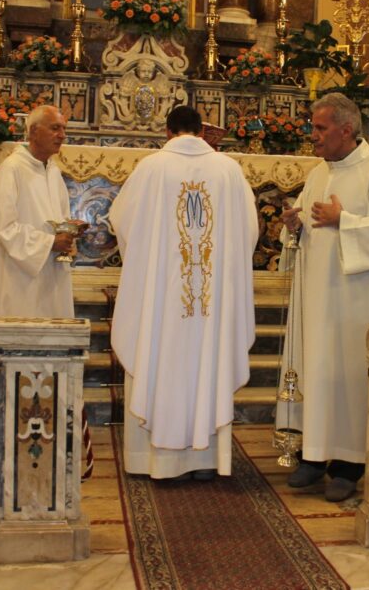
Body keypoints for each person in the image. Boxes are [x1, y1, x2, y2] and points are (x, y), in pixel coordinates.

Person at [110, 105, 259, 480]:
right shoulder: (229, 171)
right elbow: (249, 232)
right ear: (202, 131)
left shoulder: (151, 168)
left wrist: (148, 266)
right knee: (208, 357)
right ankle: (207, 461)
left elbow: (122, 221)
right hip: (211, 301)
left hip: (164, 300)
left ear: (168, 131)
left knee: (158, 353)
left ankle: (157, 462)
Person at [279, 93, 369, 502]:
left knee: (349, 376)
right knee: (320, 371)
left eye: (320, 128)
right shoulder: (319, 172)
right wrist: (293, 225)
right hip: (319, 299)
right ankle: (315, 456)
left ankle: (349, 465)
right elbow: (308, 226)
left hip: (356, 300)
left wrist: (344, 221)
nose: (312, 135)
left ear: (346, 130)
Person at [0, 104, 76, 318]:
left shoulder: (53, 171)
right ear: (34, 131)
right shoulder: (12, 169)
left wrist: (70, 233)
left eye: (63, 129)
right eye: (55, 128)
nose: (62, 135)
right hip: (20, 277)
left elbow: (62, 217)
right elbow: (3, 227)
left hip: (52, 272)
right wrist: (50, 242)